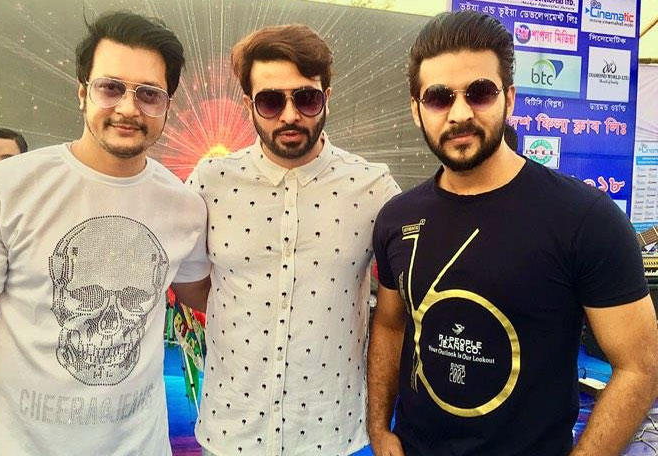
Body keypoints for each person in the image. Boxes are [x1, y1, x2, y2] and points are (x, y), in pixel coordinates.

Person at [368, 11, 658, 456]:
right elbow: (390, 325)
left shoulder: (584, 218)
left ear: (509, 99)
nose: (460, 113)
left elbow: (640, 365)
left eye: (480, 92)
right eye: (439, 97)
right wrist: (379, 428)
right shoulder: (396, 219)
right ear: (416, 109)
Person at [0, 11, 211, 456]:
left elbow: (211, 293)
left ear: (167, 104)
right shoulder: (8, 188)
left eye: (149, 94)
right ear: (83, 92)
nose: (128, 108)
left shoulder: (183, 206)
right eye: (111, 88)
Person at [187, 24, 400, 456]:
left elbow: (398, 301)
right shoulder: (210, 181)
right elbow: (193, 284)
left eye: (306, 98)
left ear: (327, 97)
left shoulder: (373, 187)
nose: (289, 115)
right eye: (270, 100)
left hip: (330, 433)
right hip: (230, 430)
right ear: (248, 103)